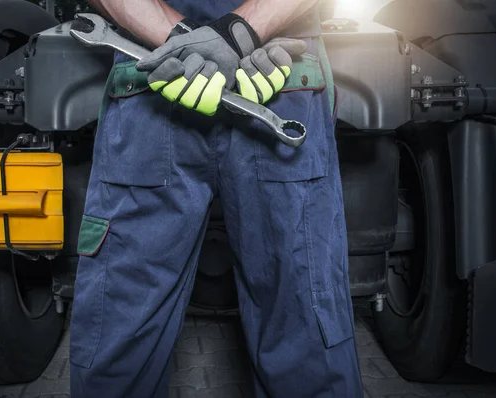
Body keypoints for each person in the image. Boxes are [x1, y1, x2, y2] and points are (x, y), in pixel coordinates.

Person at [69, 0, 364, 396]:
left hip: (166, 66)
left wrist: (192, 42)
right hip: (266, 68)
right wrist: (235, 34)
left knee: (121, 320)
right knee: (304, 318)